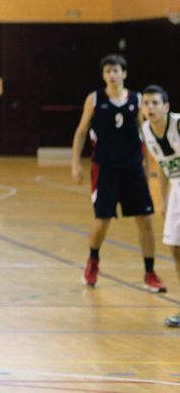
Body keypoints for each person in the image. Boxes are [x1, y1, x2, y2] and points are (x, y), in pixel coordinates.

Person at [70, 54, 166, 292]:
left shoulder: (138, 100)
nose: (112, 75)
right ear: (103, 76)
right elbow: (81, 132)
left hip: (133, 168)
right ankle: (93, 260)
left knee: (145, 221)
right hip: (105, 168)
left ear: (124, 73)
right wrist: (75, 163)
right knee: (102, 222)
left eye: (116, 70)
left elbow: (145, 134)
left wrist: (148, 167)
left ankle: (150, 272)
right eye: (108, 71)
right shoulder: (94, 100)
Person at [140, 85, 180, 326]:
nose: (150, 107)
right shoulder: (146, 130)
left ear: (166, 107)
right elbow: (164, 167)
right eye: (146, 103)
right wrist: (163, 200)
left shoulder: (177, 125)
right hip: (176, 187)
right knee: (175, 248)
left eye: (155, 103)